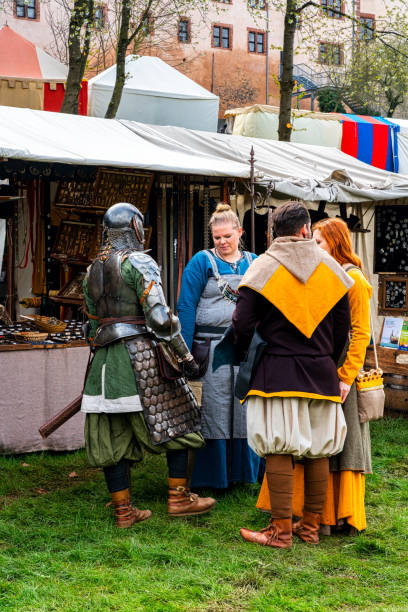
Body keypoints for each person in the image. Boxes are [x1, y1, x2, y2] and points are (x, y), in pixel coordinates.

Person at [81, 202, 215, 528]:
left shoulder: (91, 271)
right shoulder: (139, 262)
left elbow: (90, 325)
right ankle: (179, 499)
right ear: (135, 228)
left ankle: (124, 512)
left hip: (101, 366)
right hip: (139, 359)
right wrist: (184, 357)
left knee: (111, 440)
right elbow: (159, 318)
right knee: (181, 418)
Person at [233, 201, 353, 549]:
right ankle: (310, 528)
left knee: (278, 446)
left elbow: (241, 324)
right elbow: (342, 330)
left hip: (277, 373)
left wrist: (250, 349)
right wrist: (325, 361)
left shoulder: (262, 267)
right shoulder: (332, 269)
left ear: (273, 231)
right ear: (305, 230)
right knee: (318, 450)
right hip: (321, 372)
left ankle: (280, 532)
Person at [255, 217, 372, 534]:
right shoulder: (320, 276)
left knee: (335, 449)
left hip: (338, 374)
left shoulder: (353, 279)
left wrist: (344, 376)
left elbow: (360, 335)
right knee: (310, 444)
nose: (313, 248)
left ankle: (332, 518)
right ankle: (309, 521)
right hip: (320, 372)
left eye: (319, 243)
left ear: (336, 243)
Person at [177, 203, 261, 489]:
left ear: (240, 232)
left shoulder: (254, 262)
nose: (222, 242)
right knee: (214, 408)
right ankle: (214, 476)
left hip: (245, 349)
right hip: (210, 349)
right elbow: (186, 307)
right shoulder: (201, 262)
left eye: (227, 236)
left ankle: (244, 473)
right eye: (217, 237)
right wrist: (185, 352)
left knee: (244, 408)